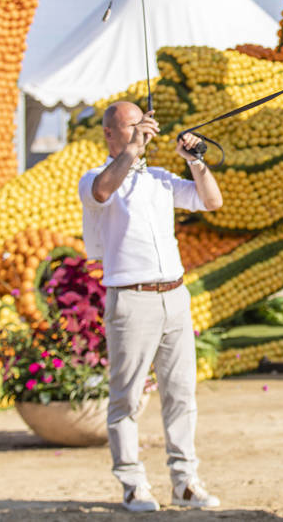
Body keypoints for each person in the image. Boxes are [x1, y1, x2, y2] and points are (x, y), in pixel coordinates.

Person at [78, 101, 223, 513]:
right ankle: (132, 482)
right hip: (131, 299)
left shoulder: (159, 179)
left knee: (181, 394)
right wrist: (133, 151)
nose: (143, 131)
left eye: (145, 124)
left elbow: (210, 200)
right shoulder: (95, 178)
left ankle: (185, 481)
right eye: (132, 126)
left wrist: (195, 160)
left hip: (174, 297)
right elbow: (103, 191)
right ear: (110, 133)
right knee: (126, 398)